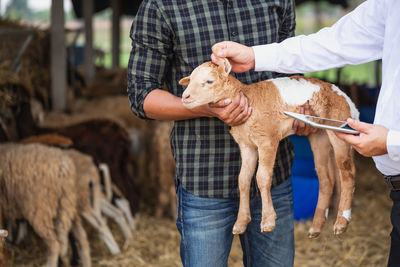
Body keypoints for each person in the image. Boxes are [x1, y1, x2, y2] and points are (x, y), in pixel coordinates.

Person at [211, 0, 400, 265]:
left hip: (388, 154)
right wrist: (256, 56)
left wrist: (392, 141)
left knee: (340, 167)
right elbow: (336, 42)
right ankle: (320, 216)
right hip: (397, 190)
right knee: (321, 169)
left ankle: (340, 211)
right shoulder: (390, 5)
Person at [127, 0, 315, 266]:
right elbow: (141, 95)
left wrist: (303, 111)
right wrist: (207, 109)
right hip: (205, 180)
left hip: (273, 177)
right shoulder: (160, 6)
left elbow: (291, 70)